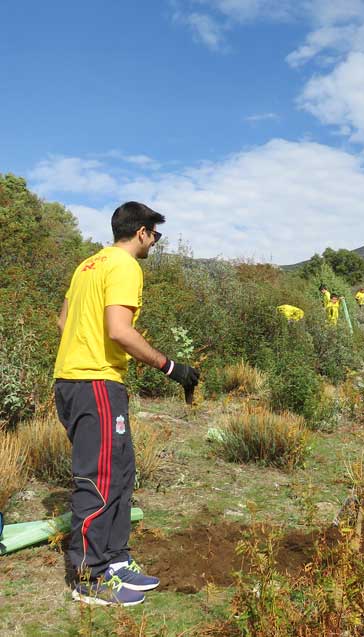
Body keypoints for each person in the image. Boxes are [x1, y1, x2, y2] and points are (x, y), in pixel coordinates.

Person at [53, 202, 200, 606]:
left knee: (120, 471)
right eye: (155, 235)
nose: (154, 242)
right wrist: (171, 367)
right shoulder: (124, 266)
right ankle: (89, 576)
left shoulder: (87, 266)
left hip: (77, 380)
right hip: (95, 382)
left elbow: (64, 322)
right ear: (141, 232)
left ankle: (115, 560)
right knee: (99, 478)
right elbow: (119, 330)